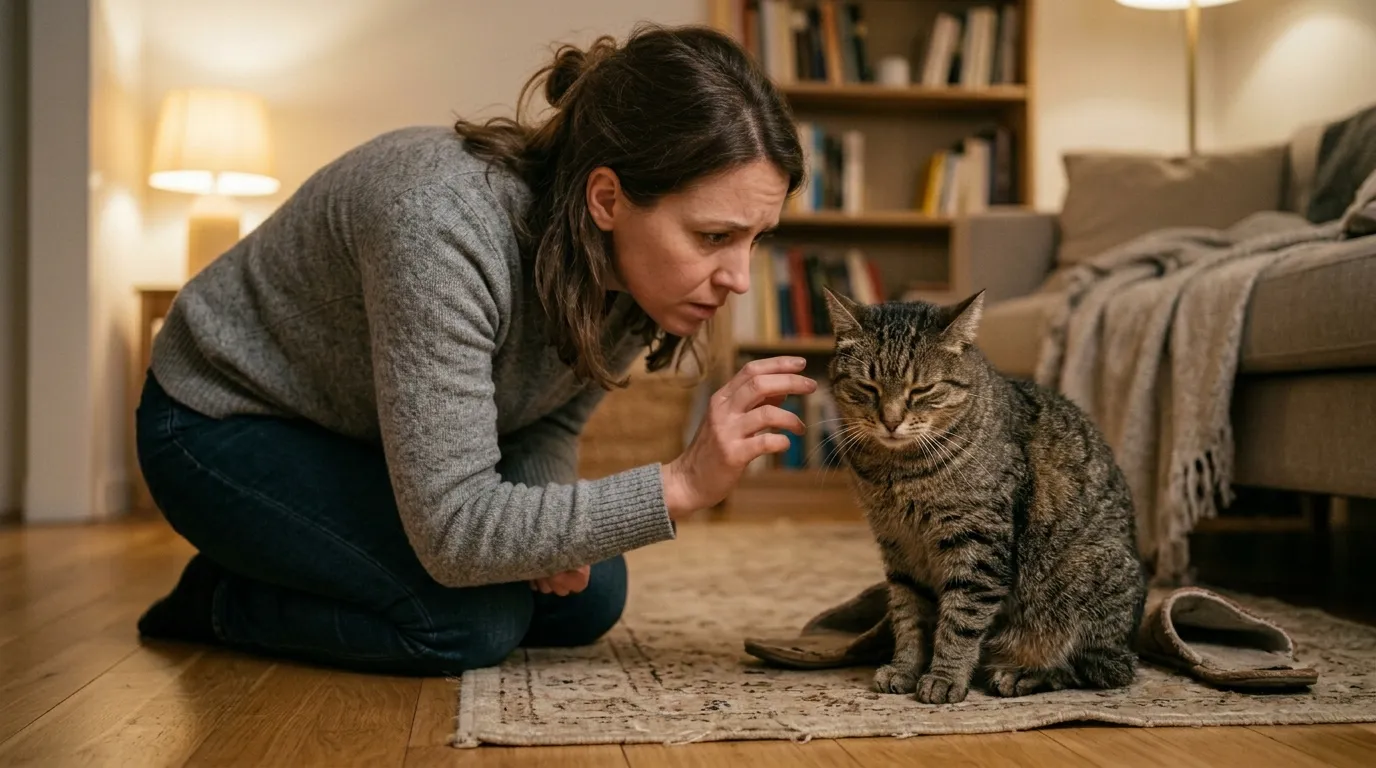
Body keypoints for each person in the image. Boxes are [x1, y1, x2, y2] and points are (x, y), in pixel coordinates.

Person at [134, 23, 817, 675]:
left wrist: (551, 526)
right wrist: (682, 484)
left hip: (365, 437)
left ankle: (313, 557)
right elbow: (456, 532)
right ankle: (222, 599)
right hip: (220, 421)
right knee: (471, 620)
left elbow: (547, 415)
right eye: (713, 237)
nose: (737, 278)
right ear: (607, 197)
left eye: (757, 239)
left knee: (590, 596)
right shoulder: (439, 225)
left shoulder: (629, 269)